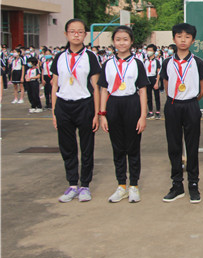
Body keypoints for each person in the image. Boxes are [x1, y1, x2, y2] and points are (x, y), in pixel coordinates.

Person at [51, 19, 101, 203]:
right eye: (72, 31)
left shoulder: (90, 57)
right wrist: (54, 112)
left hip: (84, 105)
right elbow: (54, 85)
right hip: (63, 105)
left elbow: (95, 87)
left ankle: (85, 185)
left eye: (80, 32)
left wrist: (96, 113)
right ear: (66, 34)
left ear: (85, 35)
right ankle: (72, 184)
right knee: (67, 147)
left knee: (87, 147)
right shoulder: (59, 57)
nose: (76, 35)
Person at [98, 26, 150, 203]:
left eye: (125, 39)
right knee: (118, 148)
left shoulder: (137, 63)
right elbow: (104, 90)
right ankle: (121, 185)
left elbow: (143, 91)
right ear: (113, 42)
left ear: (131, 42)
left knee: (133, 148)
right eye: (118, 39)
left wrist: (143, 116)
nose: (122, 43)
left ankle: (134, 185)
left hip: (132, 104)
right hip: (113, 105)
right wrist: (102, 114)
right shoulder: (107, 64)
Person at [160, 23, 203, 203]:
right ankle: (177, 184)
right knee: (174, 146)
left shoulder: (198, 62)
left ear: (193, 40)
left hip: (191, 106)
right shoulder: (167, 62)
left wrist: (191, 101)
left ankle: (193, 184)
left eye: (187, 37)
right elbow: (166, 85)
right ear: (174, 39)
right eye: (179, 36)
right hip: (173, 105)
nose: (183, 40)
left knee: (192, 146)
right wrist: (176, 99)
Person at [144, 44, 162, 119]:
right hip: (147, 79)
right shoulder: (145, 61)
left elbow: (158, 72)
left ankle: (158, 111)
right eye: (148, 50)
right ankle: (150, 111)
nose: (149, 52)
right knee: (149, 96)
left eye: (150, 50)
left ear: (154, 51)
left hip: (154, 79)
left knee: (156, 96)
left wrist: (157, 82)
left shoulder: (156, 61)